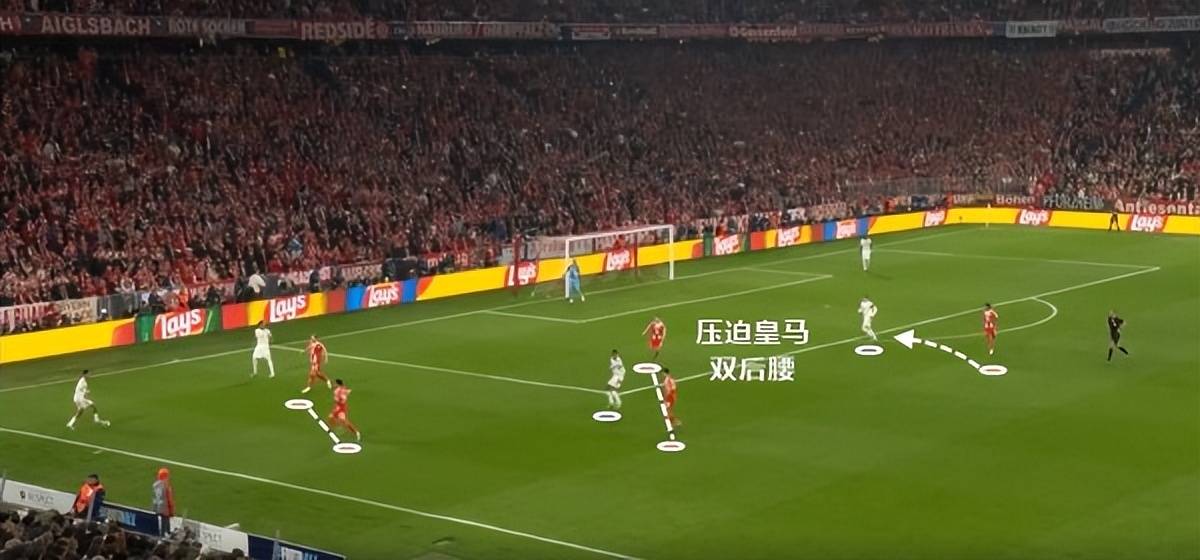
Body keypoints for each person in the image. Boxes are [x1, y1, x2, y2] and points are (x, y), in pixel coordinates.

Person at [151, 467, 175, 536]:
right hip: (165, 507)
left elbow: (153, 496)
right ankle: (164, 534)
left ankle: (167, 532)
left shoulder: (155, 485)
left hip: (157, 505)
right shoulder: (166, 486)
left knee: (164, 519)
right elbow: (169, 499)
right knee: (165, 520)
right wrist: (172, 510)